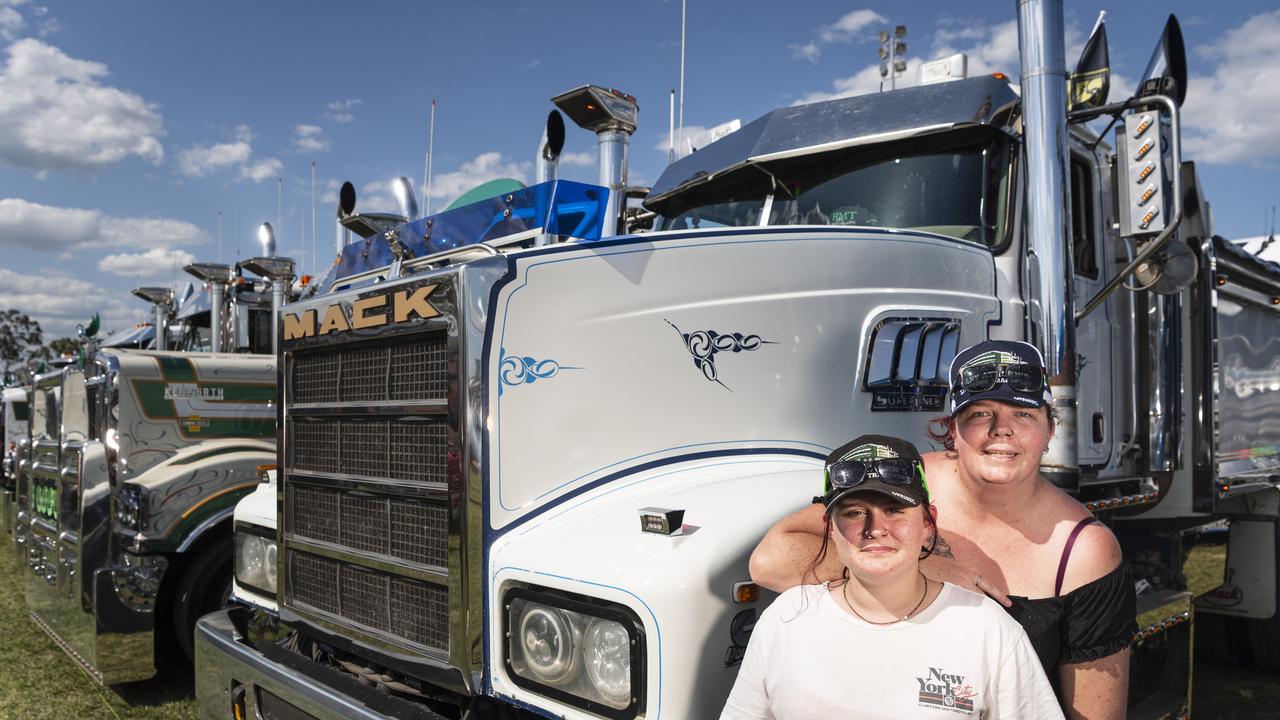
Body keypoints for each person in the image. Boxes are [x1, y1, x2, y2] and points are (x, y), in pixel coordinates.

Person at [749, 341, 1135, 720]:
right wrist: (920, 567)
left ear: (1051, 429)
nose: (1002, 430)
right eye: (981, 414)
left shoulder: (1084, 550)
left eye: (1023, 414)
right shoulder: (902, 481)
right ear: (952, 427)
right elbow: (770, 560)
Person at [722, 434, 1063, 720]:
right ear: (830, 527)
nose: (874, 529)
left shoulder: (988, 630)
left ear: (928, 522)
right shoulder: (785, 619)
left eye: (895, 510)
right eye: (854, 513)